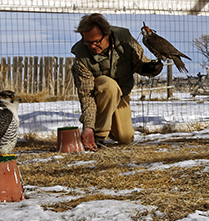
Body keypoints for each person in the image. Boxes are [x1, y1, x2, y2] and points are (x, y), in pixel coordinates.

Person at [70, 13, 164, 149]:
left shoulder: (125, 40)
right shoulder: (81, 56)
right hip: (100, 96)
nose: (92, 46)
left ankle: (109, 127)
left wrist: (148, 68)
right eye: (88, 42)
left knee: (125, 138)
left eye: (96, 41)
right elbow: (86, 95)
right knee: (109, 86)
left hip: (121, 94)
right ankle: (100, 135)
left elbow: (139, 62)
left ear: (107, 34)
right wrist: (89, 127)